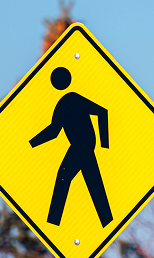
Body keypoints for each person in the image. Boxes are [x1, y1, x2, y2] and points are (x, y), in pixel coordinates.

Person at [30, 67, 114, 228]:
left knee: (64, 178)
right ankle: (106, 221)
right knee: (93, 183)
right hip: (82, 146)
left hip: (82, 146)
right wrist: (31, 143)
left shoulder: (71, 99)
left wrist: (105, 145)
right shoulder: (64, 103)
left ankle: (53, 222)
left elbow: (102, 112)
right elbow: (54, 131)